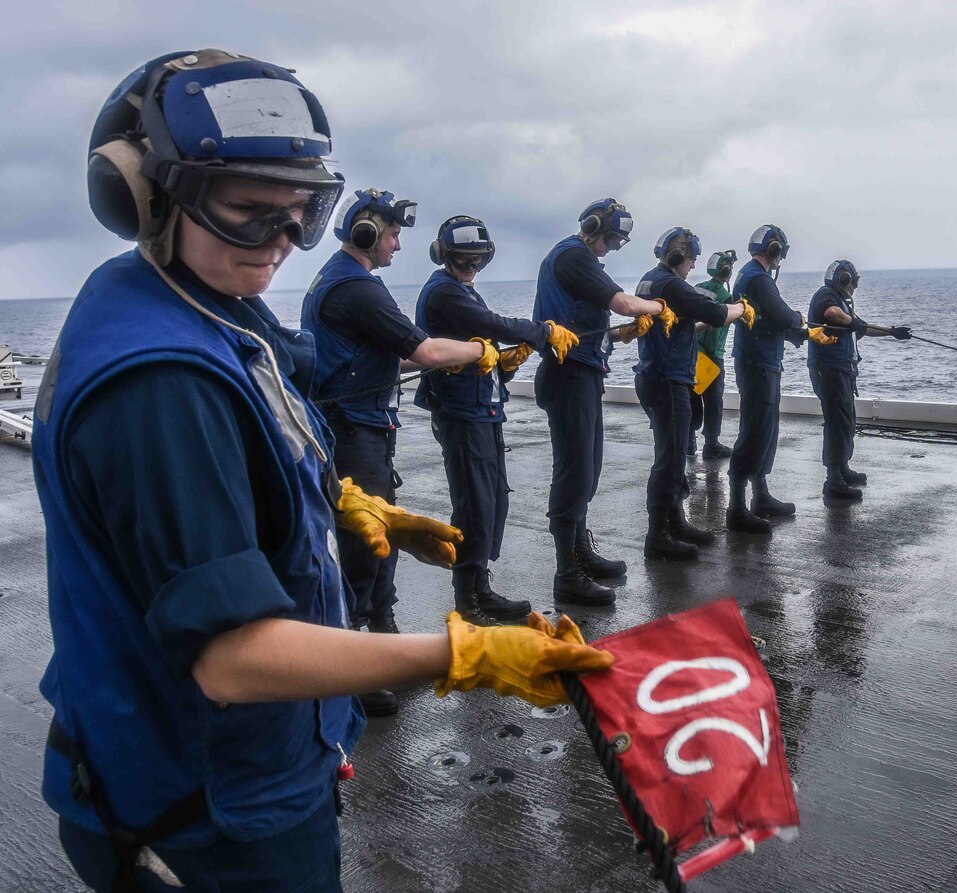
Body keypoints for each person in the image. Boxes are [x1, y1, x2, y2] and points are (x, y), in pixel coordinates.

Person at [38, 50, 612, 893]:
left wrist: (346, 501)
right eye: (246, 211)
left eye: (303, 214)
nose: (280, 242)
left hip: (233, 776)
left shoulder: (189, 297)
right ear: (145, 195)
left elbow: (251, 442)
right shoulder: (161, 384)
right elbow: (233, 659)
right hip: (208, 813)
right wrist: (467, 652)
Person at [301, 187, 498, 716]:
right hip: (352, 431)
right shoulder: (357, 288)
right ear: (366, 232)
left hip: (362, 424)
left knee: (379, 537)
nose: (396, 244)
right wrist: (480, 350)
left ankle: (381, 640)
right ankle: (359, 664)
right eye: (391, 234)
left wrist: (450, 358)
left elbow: (401, 360)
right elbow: (425, 348)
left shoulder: (344, 282)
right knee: (365, 547)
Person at [414, 215, 580, 622]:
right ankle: (468, 600)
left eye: (478, 261)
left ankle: (480, 585)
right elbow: (492, 326)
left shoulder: (463, 291)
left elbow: (480, 342)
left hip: (484, 409)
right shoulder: (442, 292)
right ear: (444, 256)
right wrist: (539, 331)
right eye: (463, 260)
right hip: (461, 413)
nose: (471, 267)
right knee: (473, 504)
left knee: (493, 501)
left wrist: (505, 366)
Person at [532, 198, 672, 605]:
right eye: (611, 237)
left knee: (588, 468)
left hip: (583, 370)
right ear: (593, 226)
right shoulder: (573, 255)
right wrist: (658, 307)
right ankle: (567, 573)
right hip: (567, 375)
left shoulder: (579, 259)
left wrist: (616, 334)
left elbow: (581, 320)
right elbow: (623, 302)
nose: (612, 245)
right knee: (574, 471)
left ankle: (580, 551)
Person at [630, 228, 749, 559]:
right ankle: (657, 537)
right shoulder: (670, 283)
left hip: (655, 376)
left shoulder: (649, 280)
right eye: (691, 258)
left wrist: (701, 323)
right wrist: (740, 308)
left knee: (673, 455)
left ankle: (676, 522)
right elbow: (716, 313)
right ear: (678, 256)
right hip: (669, 381)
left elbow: (683, 322)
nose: (693, 265)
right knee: (668, 461)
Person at [726, 225, 838, 535]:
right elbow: (781, 315)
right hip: (758, 363)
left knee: (766, 429)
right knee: (756, 429)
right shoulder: (759, 279)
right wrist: (801, 321)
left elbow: (768, 320)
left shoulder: (750, 275)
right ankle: (737, 508)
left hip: (763, 361)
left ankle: (760, 496)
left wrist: (804, 334)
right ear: (775, 251)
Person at [807, 259, 912, 499]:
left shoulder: (843, 302)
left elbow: (860, 327)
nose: (855, 285)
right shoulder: (827, 295)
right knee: (836, 422)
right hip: (829, 369)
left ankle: (842, 468)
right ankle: (833, 479)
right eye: (854, 280)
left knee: (846, 421)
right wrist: (852, 320)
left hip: (842, 370)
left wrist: (891, 332)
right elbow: (831, 314)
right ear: (845, 278)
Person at [690, 249, 738, 460]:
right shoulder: (726, 296)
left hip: (691, 352)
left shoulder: (697, 288)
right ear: (727, 270)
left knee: (691, 398)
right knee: (713, 401)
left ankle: (688, 442)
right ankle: (711, 444)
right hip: (711, 354)